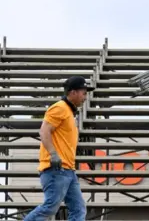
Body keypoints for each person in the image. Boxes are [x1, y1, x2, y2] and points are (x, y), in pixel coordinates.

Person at [24, 76, 95, 221]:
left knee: (78, 209)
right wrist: (53, 154)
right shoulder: (59, 107)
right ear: (73, 92)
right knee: (50, 206)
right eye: (84, 92)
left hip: (68, 170)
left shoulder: (68, 112)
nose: (85, 97)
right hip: (56, 169)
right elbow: (44, 131)